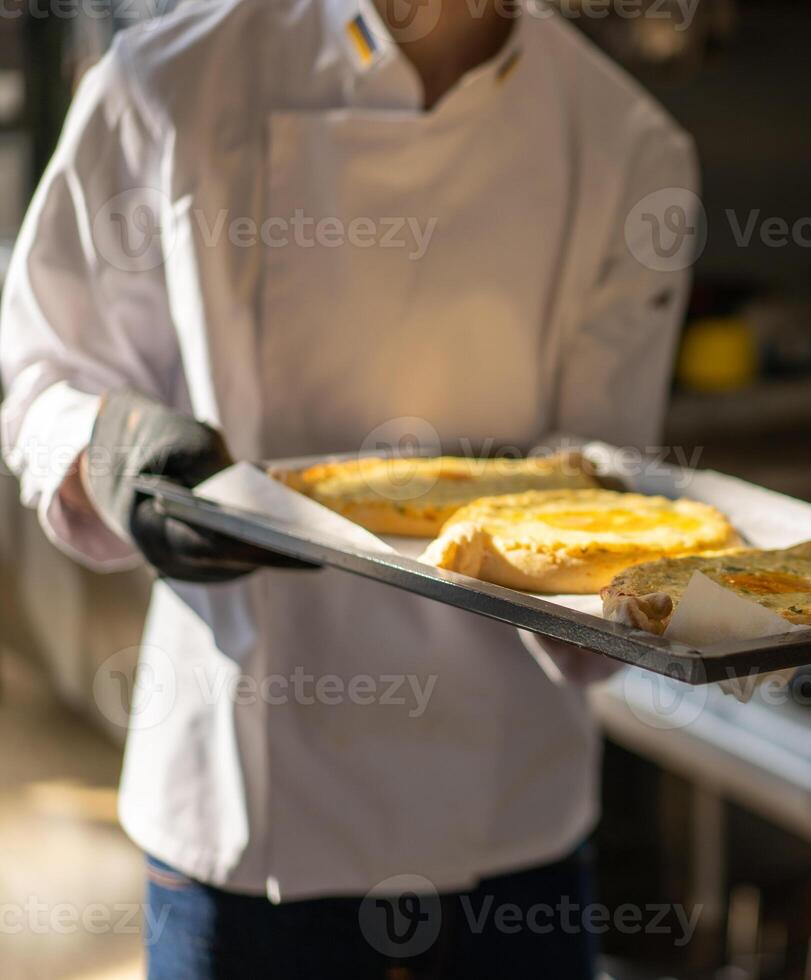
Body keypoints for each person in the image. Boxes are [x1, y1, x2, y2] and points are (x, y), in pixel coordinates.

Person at [0, 0, 697, 976]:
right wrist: (110, 449)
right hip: (249, 829)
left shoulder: (624, 143)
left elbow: (597, 487)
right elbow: (43, 378)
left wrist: (638, 589)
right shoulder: (166, 86)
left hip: (509, 826)